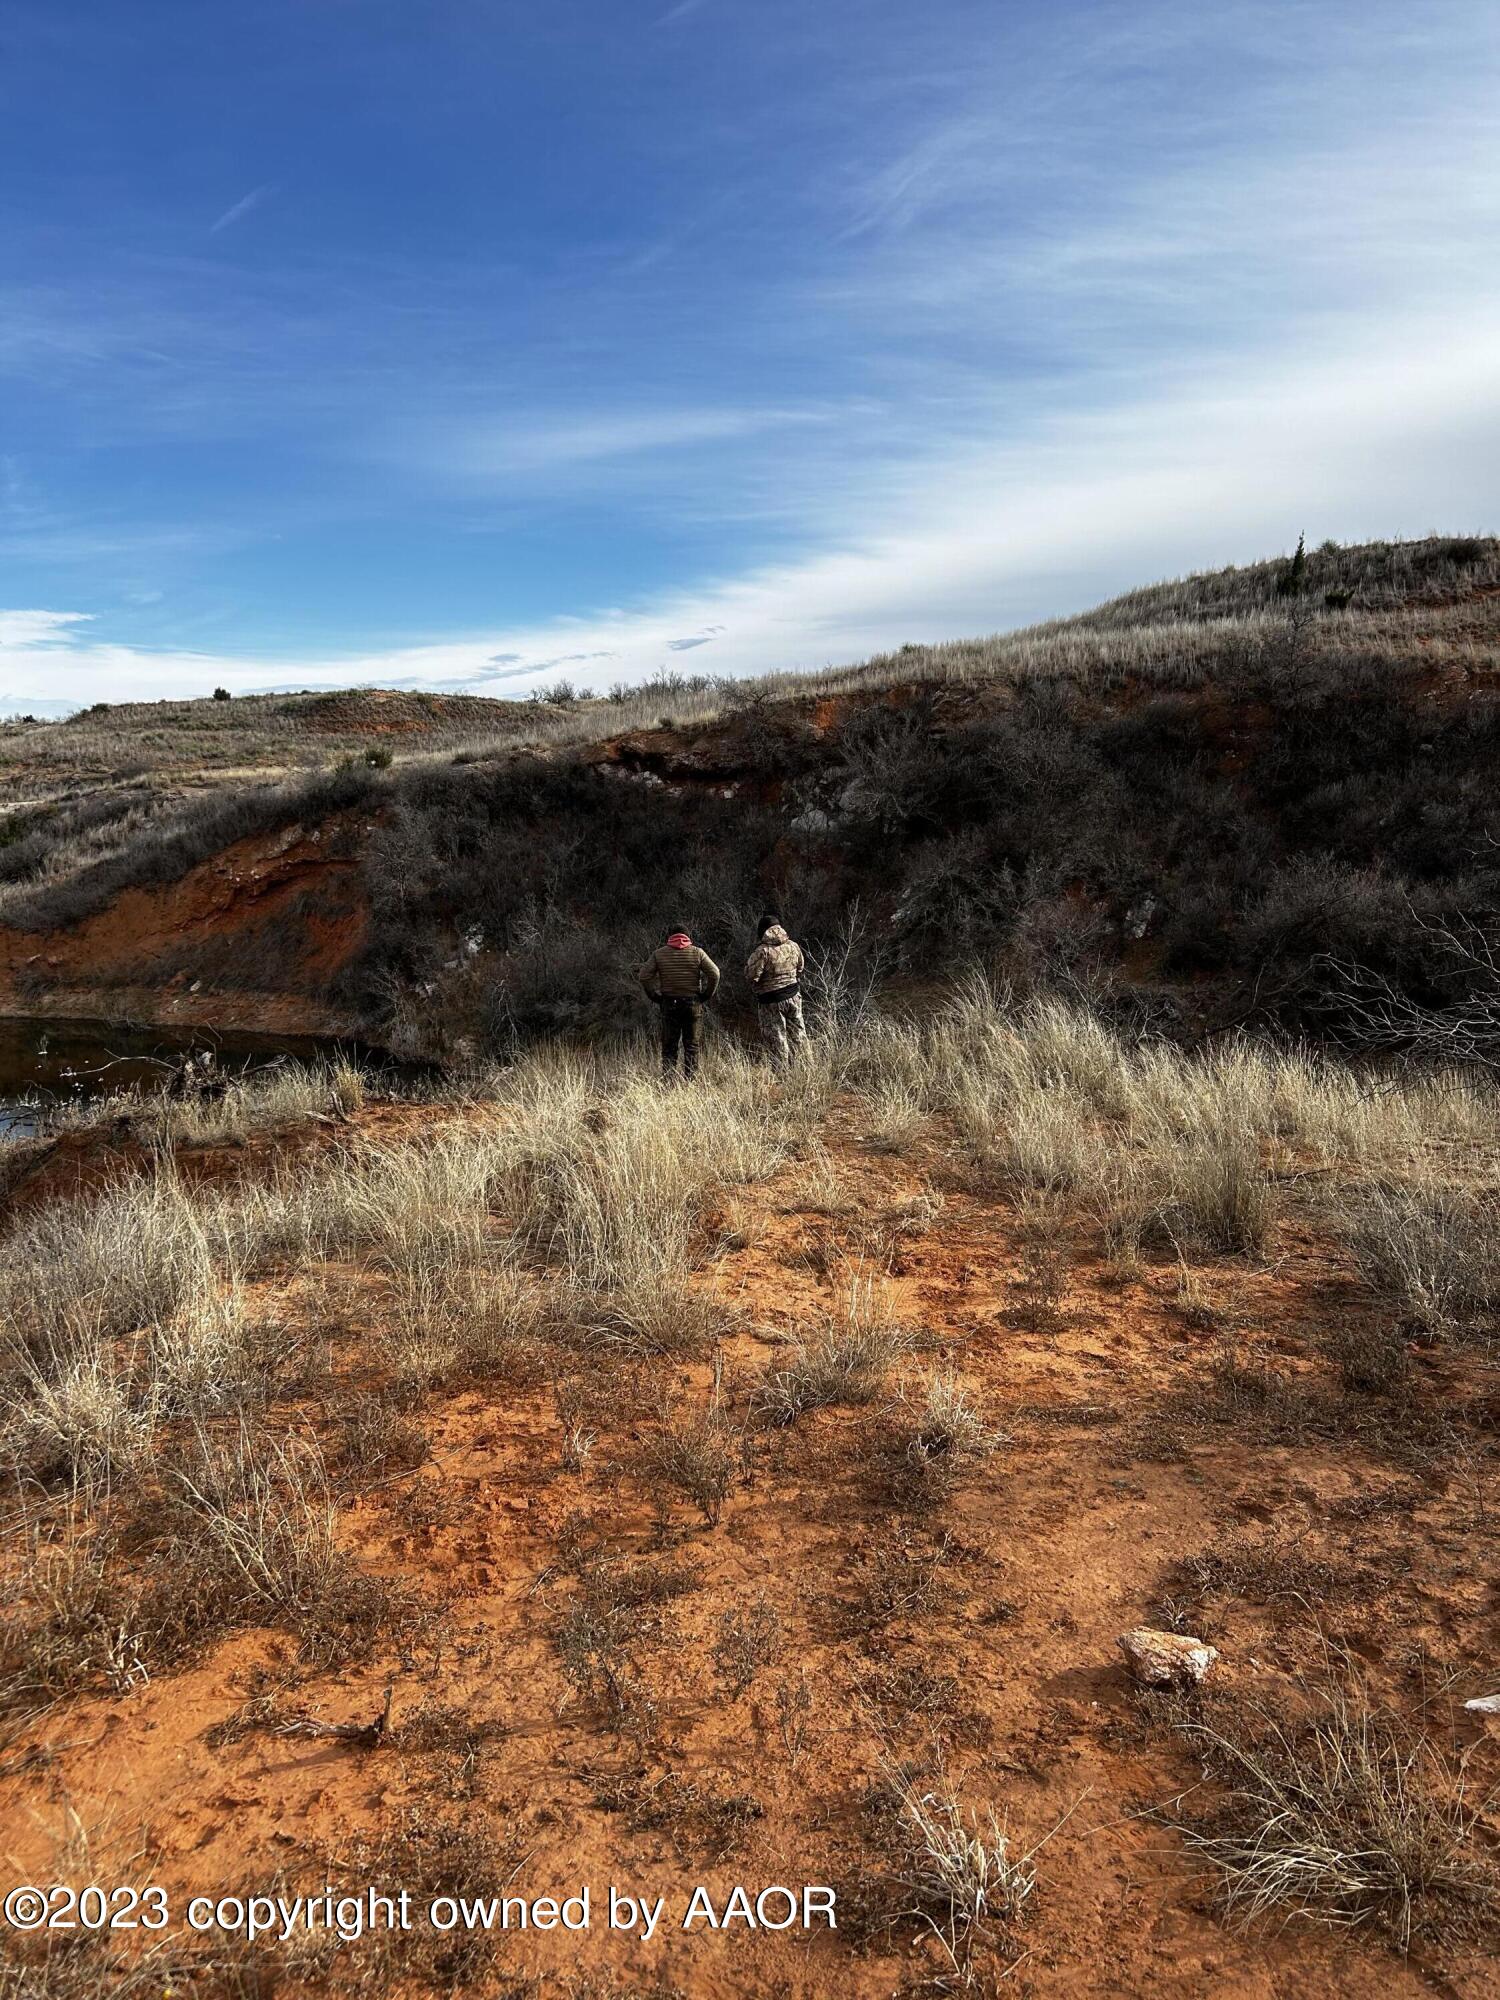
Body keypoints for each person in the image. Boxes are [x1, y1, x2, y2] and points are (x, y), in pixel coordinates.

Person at [637, 924, 720, 1079]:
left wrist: (654, 996)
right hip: (692, 1003)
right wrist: (705, 995)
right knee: (691, 1046)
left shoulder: (659, 954)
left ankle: (669, 1081)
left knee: (669, 1047)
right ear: (688, 936)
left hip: (669, 1003)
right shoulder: (697, 952)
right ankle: (690, 1081)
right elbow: (715, 973)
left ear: (670, 936)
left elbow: (643, 976)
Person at [745, 912, 807, 1066]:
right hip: (794, 996)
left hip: (771, 1001)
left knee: (777, 1040)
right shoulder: (793, 946)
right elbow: (800, 969)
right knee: (799, 1036)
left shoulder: (762, 951)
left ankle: (782, 1074)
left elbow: (751, 976)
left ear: (762, 931)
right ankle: (805, 1070)